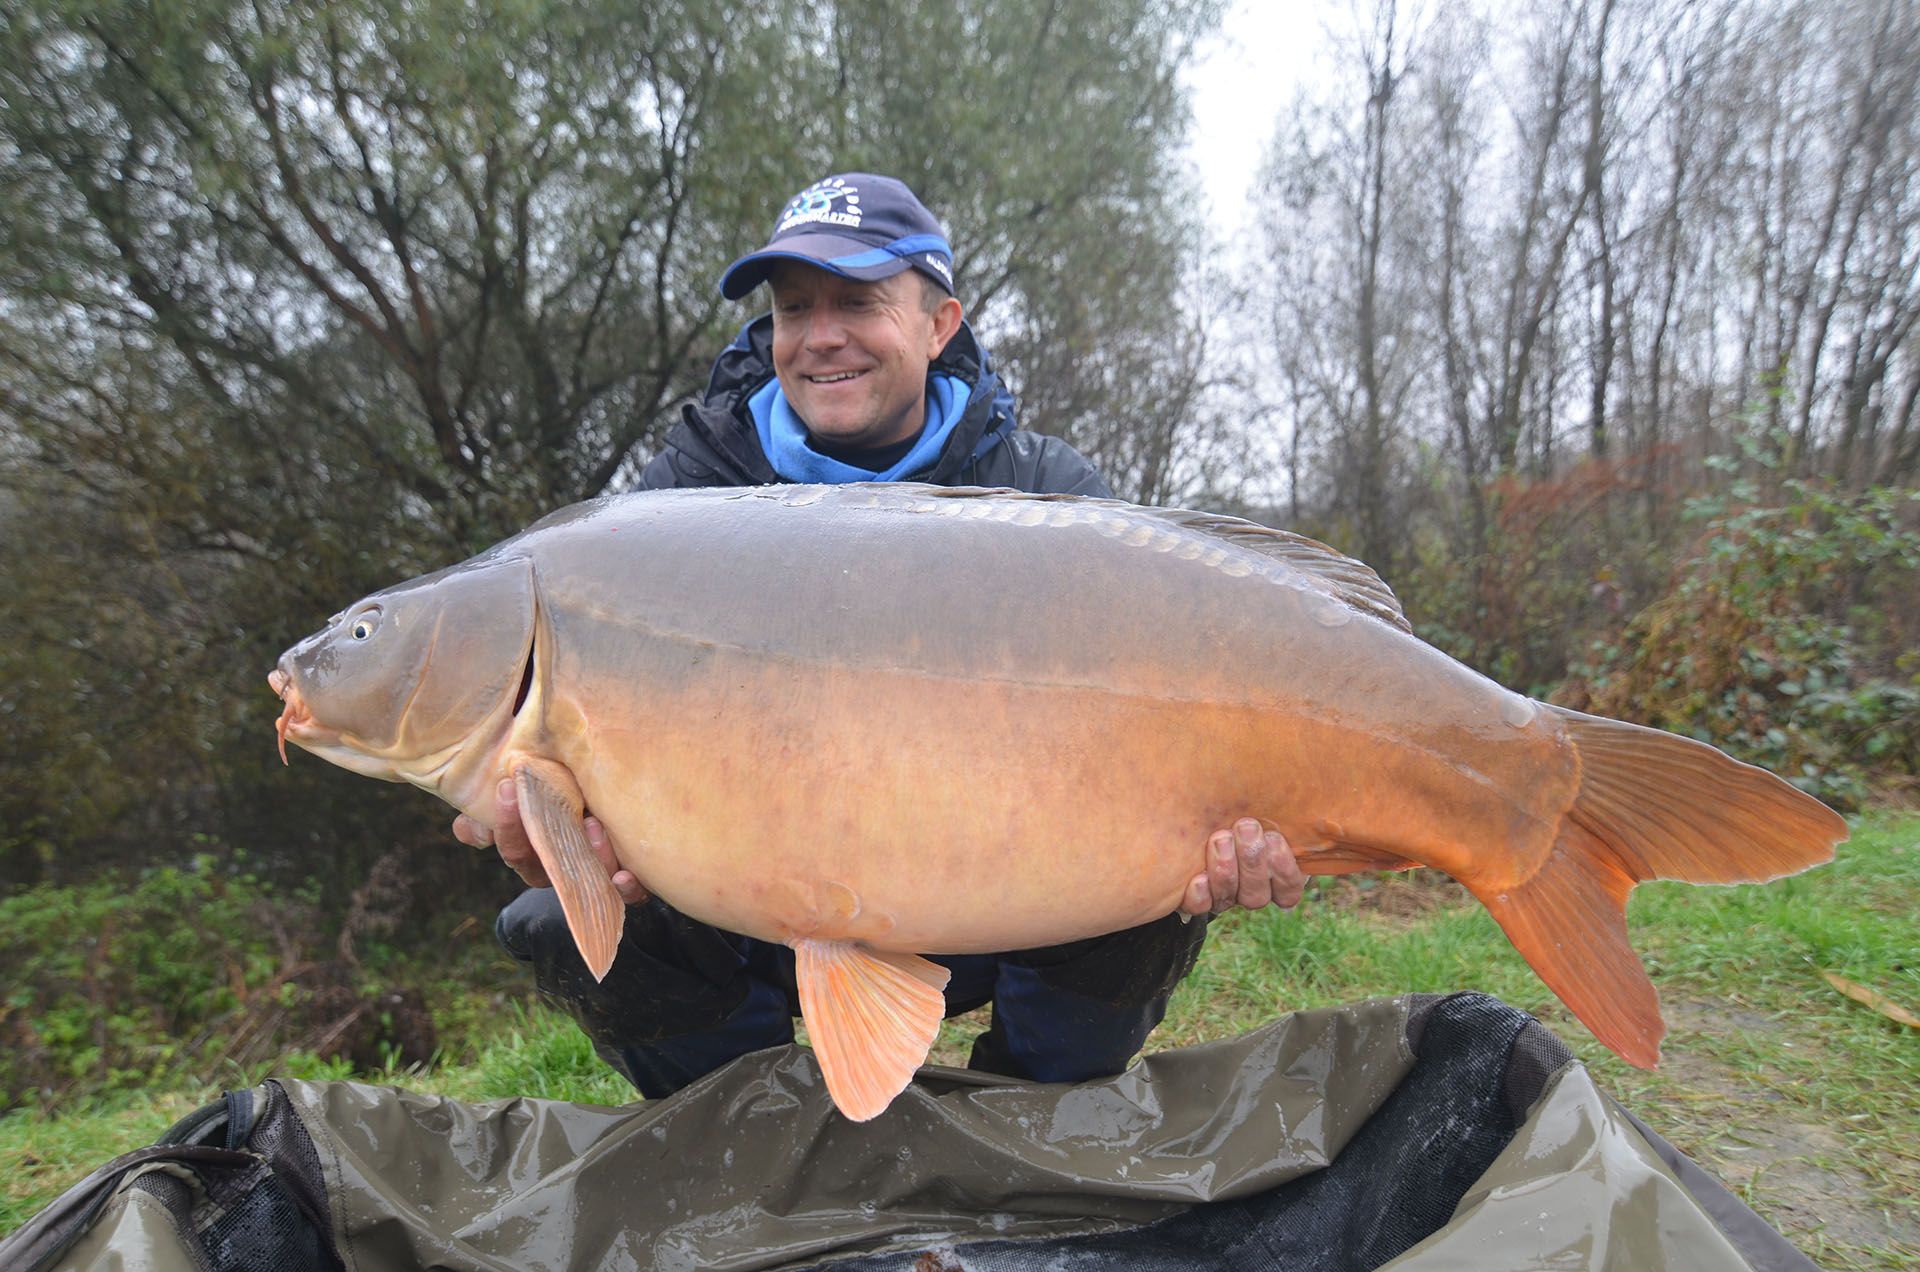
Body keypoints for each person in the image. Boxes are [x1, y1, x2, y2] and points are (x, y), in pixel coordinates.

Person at [455, 172, 1305, 1098]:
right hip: (748, 908)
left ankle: (1035, 1117)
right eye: (794, 307)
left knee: (1151, 881)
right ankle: (747, 1128)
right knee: (553, 916)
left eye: (858, 302)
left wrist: (1242, 829)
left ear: (940, 325)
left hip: (1002, 900)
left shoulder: (1044, 493)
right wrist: (570, 837)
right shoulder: (680, 499)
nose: (821, 336)